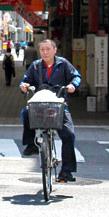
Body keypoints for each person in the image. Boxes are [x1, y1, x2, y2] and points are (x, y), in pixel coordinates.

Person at [19, 39, 81, 183]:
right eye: (42, 50)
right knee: (27, 112)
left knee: (69, 134)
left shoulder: (63, 64)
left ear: (54, 50)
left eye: (48, 49)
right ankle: (31, 144)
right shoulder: (35, 66)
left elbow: (76, 77)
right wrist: (24, 86)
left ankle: (66, 171)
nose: (45, 52)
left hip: (59, 104)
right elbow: (25, 80)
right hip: (39, 104)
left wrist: (73, 85)